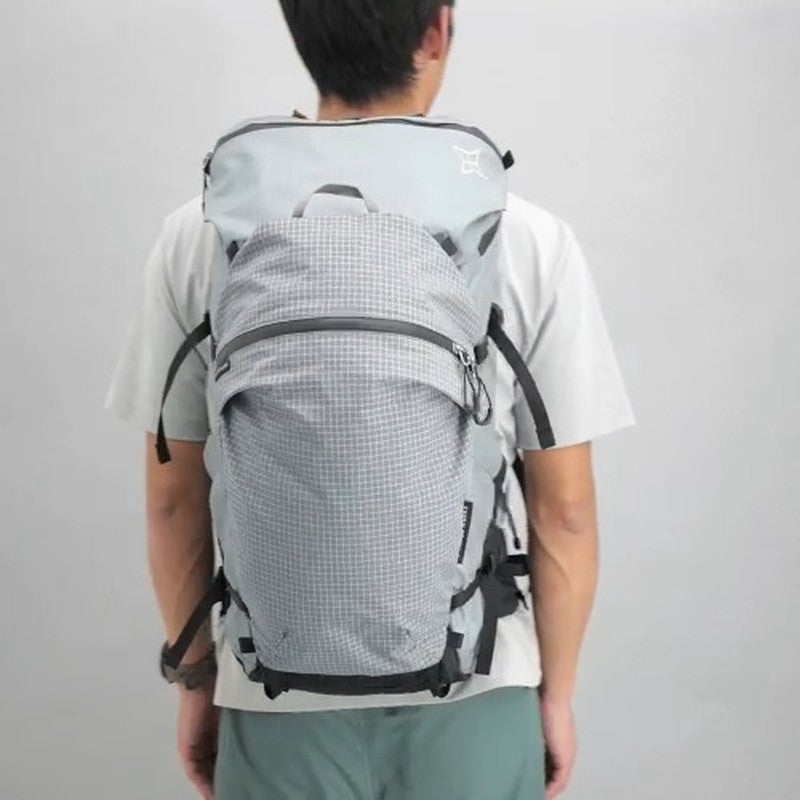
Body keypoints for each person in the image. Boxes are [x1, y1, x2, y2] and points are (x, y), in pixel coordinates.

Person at [104, 1, 635, 798]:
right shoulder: (521, 235)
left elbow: (174, 500)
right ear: (437, 31)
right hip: (477, 684)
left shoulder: (202, 230)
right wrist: (554, 696)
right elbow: (565, 511)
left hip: (272, 690)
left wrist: (196, 680)